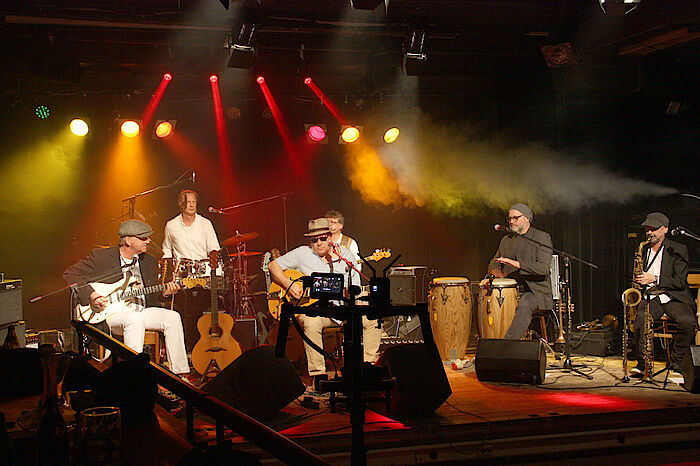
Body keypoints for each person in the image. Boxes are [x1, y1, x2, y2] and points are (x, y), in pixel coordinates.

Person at [64, 220, 190, 375]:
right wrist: (93, 295)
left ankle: (180, 373)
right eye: (143, 238)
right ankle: (134, 375)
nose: (148, 241)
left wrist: (165, 293)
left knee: (172, 317)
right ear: (128, 240)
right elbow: (71, 274)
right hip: (111, 314)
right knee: (134, 319)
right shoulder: (102, 257)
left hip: (140, 310)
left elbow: (152, 296)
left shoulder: (148, 261)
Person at [267, 218, 382, 388]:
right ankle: (318, 375)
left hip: (342, 310)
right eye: (314, 240)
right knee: (310, 322)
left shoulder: (346, 256)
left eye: (322, 238)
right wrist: (289, 284)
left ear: (330, 236)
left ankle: (367, 368)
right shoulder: (302, 253)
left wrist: (357, 298)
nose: (319, 243)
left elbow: (356, 288)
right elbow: (273, 266)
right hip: (316, 311)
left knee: (374, 319)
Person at [631, 212, 695, 375]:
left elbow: (680, 282)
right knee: (640, 321)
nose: (649, 232)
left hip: (673, 296)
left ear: (665, 229)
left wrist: (655, 278)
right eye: (647, 229)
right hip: (651, 297)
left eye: (654, 229)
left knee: (687, 322)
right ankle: (642, 364)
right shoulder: (643, 249)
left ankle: (677, 361)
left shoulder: (677, 249)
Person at [488, 203, 553, 339]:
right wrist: (495, 271)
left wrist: (517, 264)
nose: (512, 221)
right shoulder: (506, 240)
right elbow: (495, 261)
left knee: (525, 303)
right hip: (509, 291)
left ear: (527, 218)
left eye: (516, 218)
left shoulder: (541, 238)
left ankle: (508, 345)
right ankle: (491, 340)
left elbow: (543, 268)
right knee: (486, 300)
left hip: (535, 292)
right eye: (510, 218)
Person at [162, 190, 220, 261]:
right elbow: (167, 248)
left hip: (203, 266)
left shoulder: (205, 223)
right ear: (181, 204)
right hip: (181, 267)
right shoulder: (171, 225)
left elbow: (214, 248)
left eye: (194, 202)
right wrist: (167, 265)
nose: (191, 205)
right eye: (188, 202)